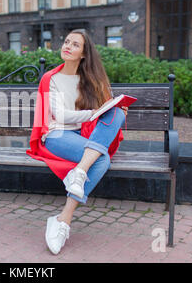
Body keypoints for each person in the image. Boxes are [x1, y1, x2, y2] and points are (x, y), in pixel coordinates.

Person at [26, 29, 128, 255]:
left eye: (74, 44)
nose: (67, 46)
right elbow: (60, 116)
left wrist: (114, 109)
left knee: (117, 114)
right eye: (66, 42)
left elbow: (108, 112)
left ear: (83, 54)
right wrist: (94, 113)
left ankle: (63, 217)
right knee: (101, 161)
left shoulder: (91, 80)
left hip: (78, 137)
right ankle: (66, 214)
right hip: (54, 136)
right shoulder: (50, 78)